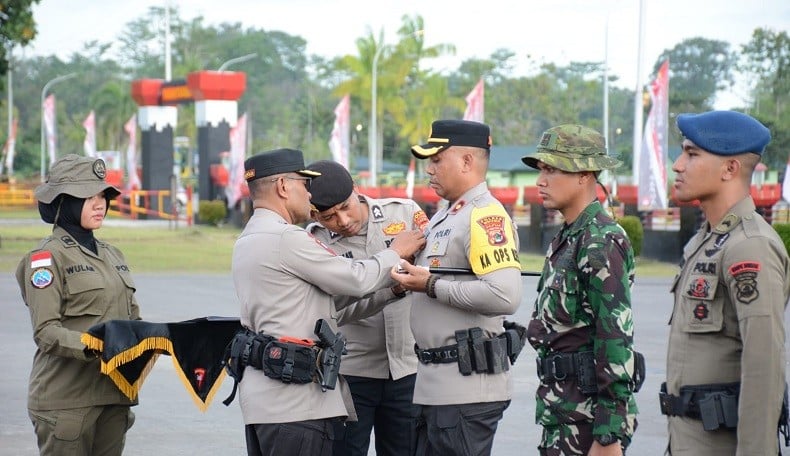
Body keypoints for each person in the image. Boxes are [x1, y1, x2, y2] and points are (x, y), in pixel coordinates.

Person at [231, 148, 425, 456]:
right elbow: (356, 280)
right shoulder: (289, 238)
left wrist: (392, 292)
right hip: (297, 404)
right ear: (284, 186)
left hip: (272, 401)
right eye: (303, 185)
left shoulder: (250, 238)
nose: (307, 195)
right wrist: (395, 252)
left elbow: (332, 305)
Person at [390, 119, 524, 455]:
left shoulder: (483, 216)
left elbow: (504, 295)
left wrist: (432, 284)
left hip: (466, 391)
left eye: (436, 160)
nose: (429, 170)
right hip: (435, 386)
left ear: (466, 161)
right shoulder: (445, 216)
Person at [660, 110, 790, 455]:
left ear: (730, 169)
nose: (677, 165)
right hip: (687, 441)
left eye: (691, 153)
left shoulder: (750, 246)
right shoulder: (711, 239)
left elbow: (764, 367)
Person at [520, 124, 640, 455]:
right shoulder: (570, 236)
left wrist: (609, 435)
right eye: (541, 169)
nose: (540, 181)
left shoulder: (600, 240)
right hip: (562, 412)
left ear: (584, 175)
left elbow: (615, 340)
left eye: (552, 169)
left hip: (587, 422)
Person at [15, 154, 139, 456]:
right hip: (66, 402)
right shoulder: (45, 259)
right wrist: (97, 344)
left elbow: (132, 318)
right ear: (63, 202)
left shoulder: (113, 255)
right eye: (87, 196)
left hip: (113, 396)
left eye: (102, 195)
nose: (99, 204)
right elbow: (46, 332)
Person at [305, 160, 428, 456]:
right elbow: (333, 312)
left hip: (407, 368)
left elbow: (434, 271)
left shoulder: (404, 212)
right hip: (351, 372)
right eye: (329, 216)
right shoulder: (314, 242)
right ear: (314, 215)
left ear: (356, 190)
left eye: (346, 207)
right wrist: (391, 291)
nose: (344, 220)